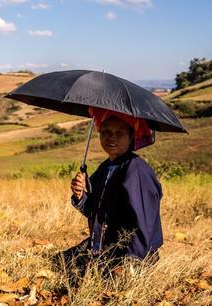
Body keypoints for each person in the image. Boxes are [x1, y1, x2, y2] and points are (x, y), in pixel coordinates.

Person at [53, 111, 163, 281]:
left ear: (131, 136)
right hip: (102, 245)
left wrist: (131, 262)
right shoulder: (106, 168)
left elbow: (143, 222)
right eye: (105, 132)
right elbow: (97, 212)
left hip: (127, 251)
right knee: (57, 263)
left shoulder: (136, 170)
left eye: (119, 133)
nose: (111, 138)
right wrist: (81, 195)